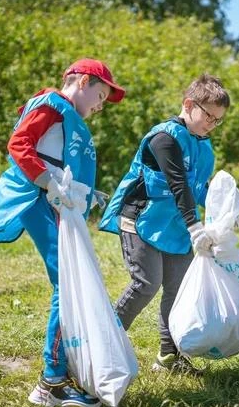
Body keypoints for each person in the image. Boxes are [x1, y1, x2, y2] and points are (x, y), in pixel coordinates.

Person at [0, 58, 125, 407]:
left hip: (50, 200)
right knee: (67, 281)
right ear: (81, 82)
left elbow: (57, 159)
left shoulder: (66, 114)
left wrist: (87, 194)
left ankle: (61, 370)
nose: (101, 104)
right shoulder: (52, 104)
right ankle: (52, 382)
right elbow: (19, 145)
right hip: (36, 199)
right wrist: (48, 184)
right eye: (101, 94)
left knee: (69, 281)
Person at [98, 74, 230, 375]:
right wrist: (195, 226)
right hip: (141, 219)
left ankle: (169, 358)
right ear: (189, 104)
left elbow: (199, 188)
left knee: (178, 289)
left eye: (218, 120)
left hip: (174, 226)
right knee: (146, 284)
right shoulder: (164, 138)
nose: (212, 124)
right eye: (209, 116)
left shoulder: (202, 145)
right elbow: (179, 185)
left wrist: (225, 209)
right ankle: (102, 346)